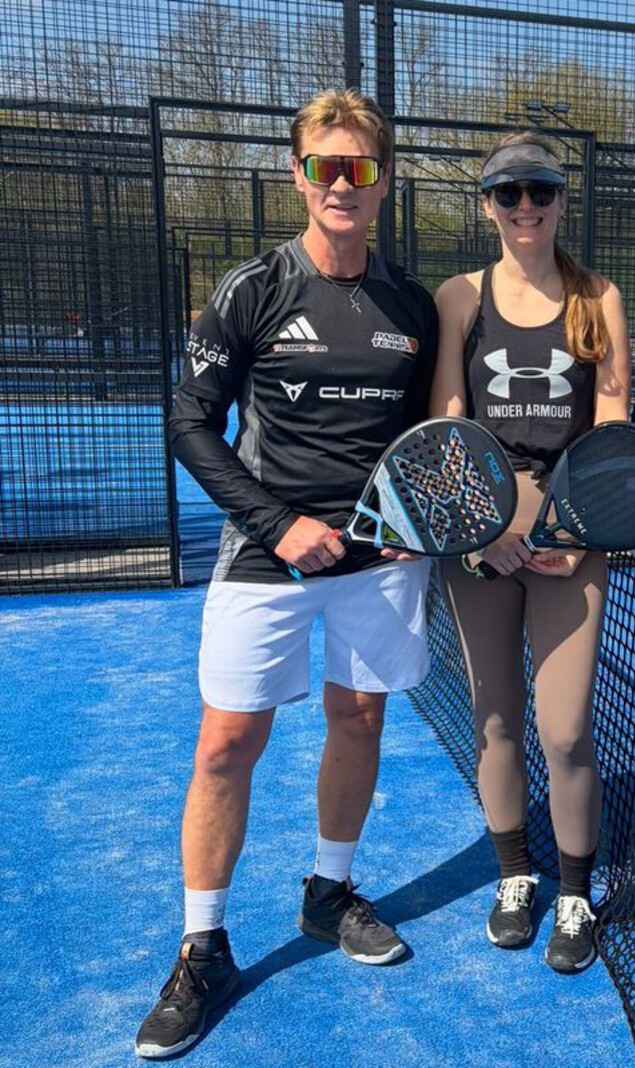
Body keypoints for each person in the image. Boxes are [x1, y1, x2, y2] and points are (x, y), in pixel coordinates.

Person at [135, 89, 439, 1058]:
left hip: (376, 563)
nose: (341, 185)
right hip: (264, 553)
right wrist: (278, 524)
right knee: (226, 744)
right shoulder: (251, 289)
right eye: (324, 167)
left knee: (358, 718)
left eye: (359, 168)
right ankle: (202, 944)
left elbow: (424, 434)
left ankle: (328, 890)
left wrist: (411, 517)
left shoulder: (410, 304)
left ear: (383, 179)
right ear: (297, 176)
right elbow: (189, 421)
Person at [430, 132, 630, 974]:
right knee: (496, 720)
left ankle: (576, 894)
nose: (525, 207)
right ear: (486, 204)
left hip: (569, 540)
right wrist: (485, 531)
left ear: (560, 199)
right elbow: (445, 419)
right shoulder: (459, 296)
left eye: (539, 190)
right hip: (479, 536)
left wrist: (570, 529)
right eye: (507, 193)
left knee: (569, 728)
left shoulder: (599, 296)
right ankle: (517, 876)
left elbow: (613, 423)